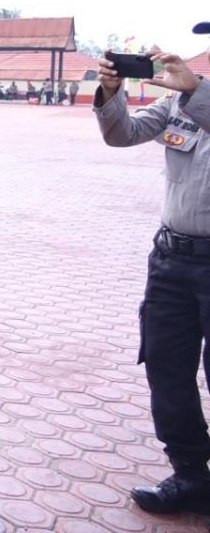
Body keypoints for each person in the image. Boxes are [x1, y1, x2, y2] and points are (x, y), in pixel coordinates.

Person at [94, 28, 210, 514]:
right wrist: (112, 95)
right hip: (172, 262)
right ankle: (189, 474)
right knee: (166, 368)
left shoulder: (194, 96)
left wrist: (196, 93)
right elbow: (122, 134)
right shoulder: (182, 102)